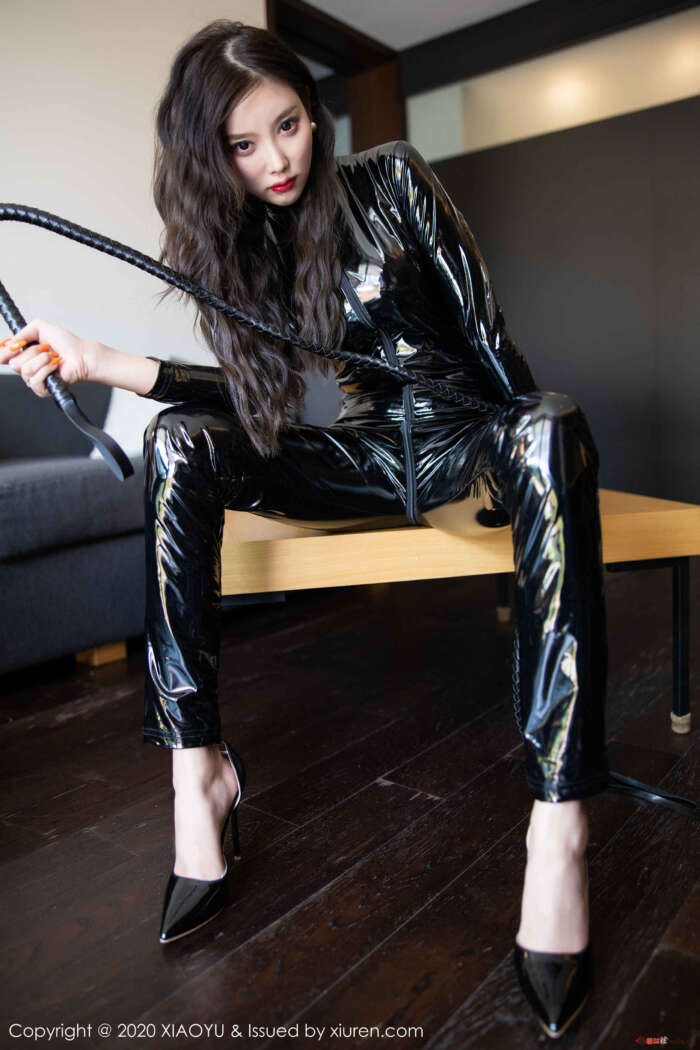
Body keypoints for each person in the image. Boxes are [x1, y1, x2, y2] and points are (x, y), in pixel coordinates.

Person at [2, 18, 696, 1041]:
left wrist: (524, 462)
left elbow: (488, 339)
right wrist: (100, 361)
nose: (276, 159)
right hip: (368, 454)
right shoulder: (240, 244)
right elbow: (257, 406)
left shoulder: (393, 178)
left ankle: (559, 830)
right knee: (182, 440)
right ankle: (198, 774)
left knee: (550, 420)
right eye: (244, 145)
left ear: (313, 112)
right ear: (212, 157)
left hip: (469, 429)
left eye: (288, 125)